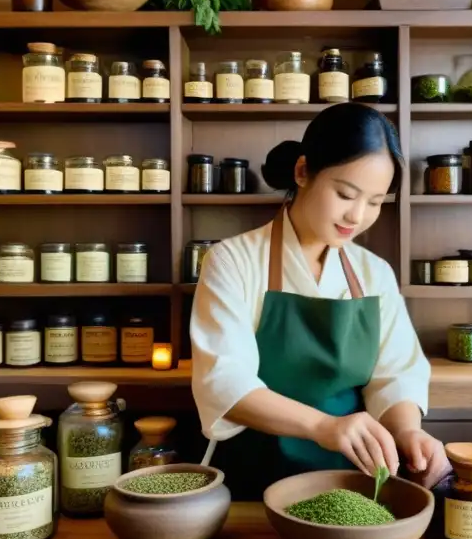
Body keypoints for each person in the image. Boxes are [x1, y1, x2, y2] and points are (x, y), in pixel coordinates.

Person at [191, 102, 449, 500]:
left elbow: (395, 375)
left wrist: (408, 430)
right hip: (251, 478)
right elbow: (225, 383)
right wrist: (324, 427)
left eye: (376, 201)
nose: (357, 216)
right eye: (346, 193)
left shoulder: (374, 272)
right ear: (303, 171)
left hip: (353, 480)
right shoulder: (233, 261)